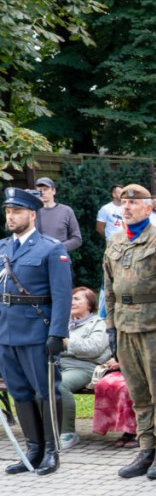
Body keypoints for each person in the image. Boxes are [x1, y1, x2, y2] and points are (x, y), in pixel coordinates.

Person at [104, 184, 156, 480]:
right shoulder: (114, 241)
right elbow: (108, 288)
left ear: (148, 207)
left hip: (154, 326)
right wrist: (110, 326)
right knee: (138, 393)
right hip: (125, 327)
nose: (126, 207)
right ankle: (146, 447)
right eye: (123, 202)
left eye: (133, 203)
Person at [0, 187, 72, 476]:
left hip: (36, 331)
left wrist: (57, 333)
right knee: (19, 392)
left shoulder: (51, 248)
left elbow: (62, 294)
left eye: (16, 211)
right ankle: (33, 448)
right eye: (8, 211)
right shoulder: (3, 248)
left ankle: (51, 451)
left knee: (45, 392)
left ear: (32, 214)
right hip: (5, 333)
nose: (10, 217)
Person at [58, 287, 112, 448]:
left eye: (77, 299)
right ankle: (46, 429)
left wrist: (66, 342)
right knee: (38, 382)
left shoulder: (99, 324)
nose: (72, 302)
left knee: (59, 385)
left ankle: (68, 433)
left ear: (90, 304)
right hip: (59, 364)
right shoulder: (62, 322)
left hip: (85, 367)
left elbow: (94, 349)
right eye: (71, 298)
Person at [34, 177, 82, 252]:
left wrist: (58, 247)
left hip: (59, 257)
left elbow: (77, 239)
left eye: (45, 189)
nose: (42, 193)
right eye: (39, 190)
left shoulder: (66, 211)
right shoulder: (32, 212)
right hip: (38, 257)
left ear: (53, 191)